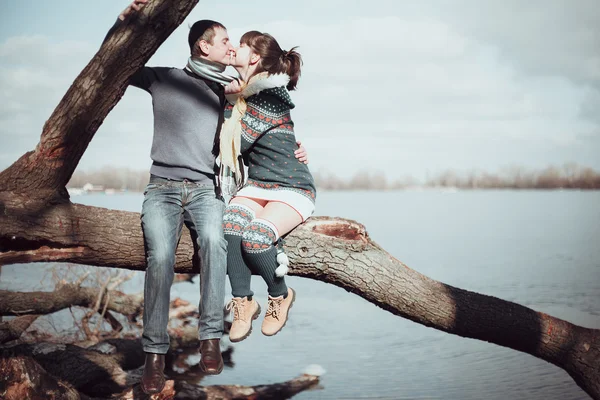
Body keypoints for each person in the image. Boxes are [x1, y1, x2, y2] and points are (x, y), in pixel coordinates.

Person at [104, 2, 308, 394]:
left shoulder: (229, 92)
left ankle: (211, 338)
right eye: (225, 40)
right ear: (203, 47)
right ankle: (154, 355)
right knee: (161, 257)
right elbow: (115, 65)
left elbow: (269, 109)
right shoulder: (163, 79)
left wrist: (297, 147)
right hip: (161, 187)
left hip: (204, 190)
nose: (231, 46)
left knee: (216, 241)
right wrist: (123, 24)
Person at [219, 31, 316, 343]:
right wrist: (231, 97)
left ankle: (279, 295)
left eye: (242, 45)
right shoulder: (245, 95)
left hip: (291, 186)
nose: (235, 48)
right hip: (257, 184)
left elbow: (236, 142)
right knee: (231, 224)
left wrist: (228, 99)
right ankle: (243, 303)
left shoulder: (269, 96)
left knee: (256, 238)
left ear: (255, 58)